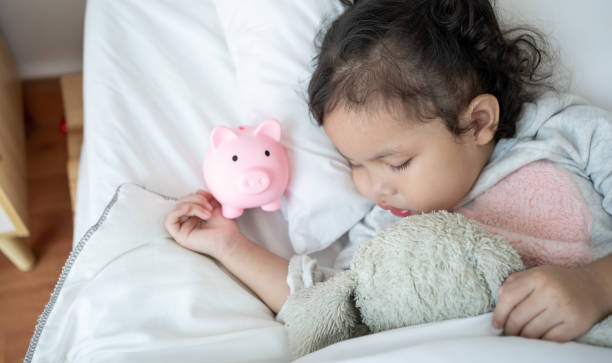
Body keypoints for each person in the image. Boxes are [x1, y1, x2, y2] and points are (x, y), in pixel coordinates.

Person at [165, 0, 612, 343]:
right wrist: (229, 245)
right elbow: (330, 306)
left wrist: (597, 285)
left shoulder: (564, 133)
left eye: (397, 162)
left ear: (478, 122)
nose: (374, 186)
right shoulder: (383, 230)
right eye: (354, 164)